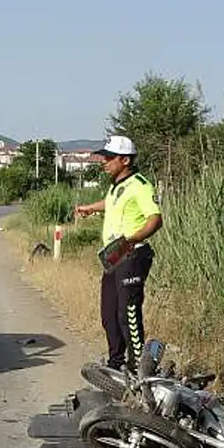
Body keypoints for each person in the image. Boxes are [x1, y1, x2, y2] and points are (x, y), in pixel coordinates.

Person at [74, 135, 163, 373]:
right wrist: (89, 208)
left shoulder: (140, 185)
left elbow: (155, 219)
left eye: (109, 158)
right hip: (114, 255)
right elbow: (110, 203)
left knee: (128, 313)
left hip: (132, 253)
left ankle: (137, 368)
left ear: (125, 160)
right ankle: (115, 363)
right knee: (109, 315)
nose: (104, 162)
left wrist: (133, 238)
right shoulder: (116, 186)